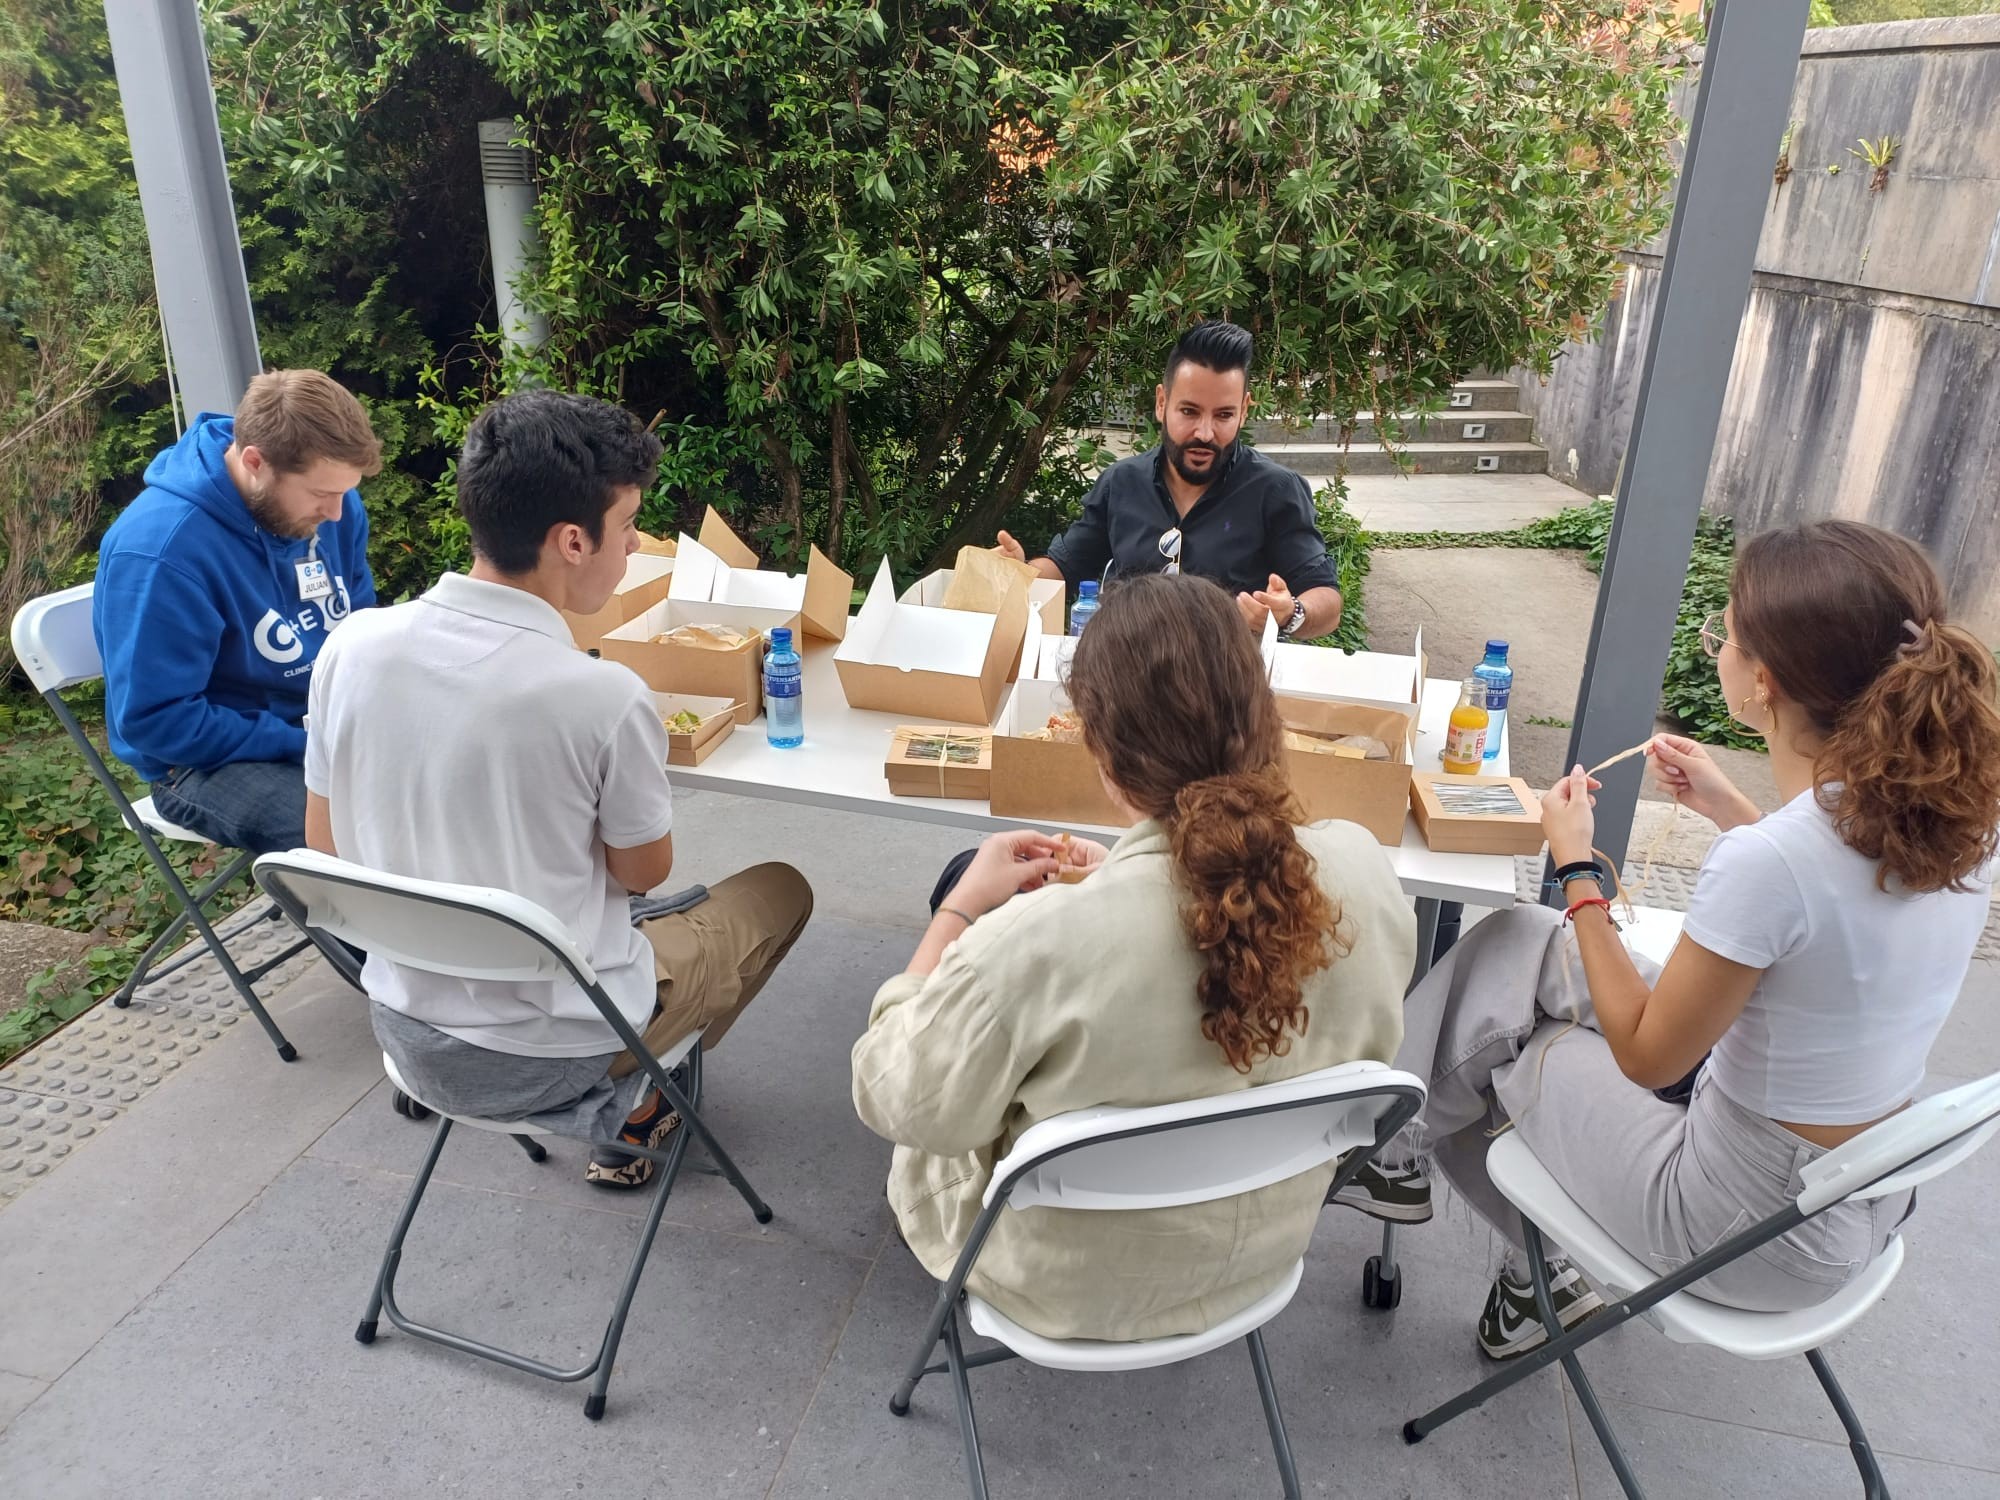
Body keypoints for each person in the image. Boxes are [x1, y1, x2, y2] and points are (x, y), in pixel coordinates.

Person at [1335, 520, 2000, 1360]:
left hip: (1738, 1224)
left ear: (1763, 683)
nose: (1712, 643)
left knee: (1498, 1044)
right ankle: (1396, 1155)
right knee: (1519, 944)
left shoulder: (1776, 861)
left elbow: (1648, 1057)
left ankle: (1435, 1190)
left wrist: (1577, 867)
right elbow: (1828, 913)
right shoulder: (1953, 818)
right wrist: (1730, 812)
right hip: (1851, 1195)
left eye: (1719, 631)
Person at [851, 573, 1414, 1341]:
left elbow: (897, 1096)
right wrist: (1121, 874)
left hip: (1061, 1284)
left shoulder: (1035, 944)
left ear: (1103, 757)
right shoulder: (1365, 877)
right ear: (1263, 715)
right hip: (1257, 1258)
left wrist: (959, 910)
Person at [304, 391, 813, 1188]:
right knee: (780, 889)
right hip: (553, 1053)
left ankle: (640, 1083)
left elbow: (325, 844)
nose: (636, 542)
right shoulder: (602, 697)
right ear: (573, 540)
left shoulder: (352, 647)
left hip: (405, 1032)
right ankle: (640, 1098)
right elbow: (640, 874)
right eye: (629, 523)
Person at [94, 369, 380, 857]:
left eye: (344, 492)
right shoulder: (160, 552)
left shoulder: (337, 508)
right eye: (321, 494)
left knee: (459, 784)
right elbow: (158, 723)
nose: (336, 513)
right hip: (200, 762)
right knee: (361, 844)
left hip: (319, 728)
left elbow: (361, 629)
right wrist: (303, 745)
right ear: (255, 461)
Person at [996, 320, 1342, 639]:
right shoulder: (1122, 483)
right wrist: (1020, 573)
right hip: (1120, 685)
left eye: (1224, 415)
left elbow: (1326, 598)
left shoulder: (1275, 490)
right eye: (1189, 412)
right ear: (1162, 403)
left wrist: (1290, 613)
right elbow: (1065, 565)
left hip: (1228, 694)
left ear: (1244, 409)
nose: (1205, 433)